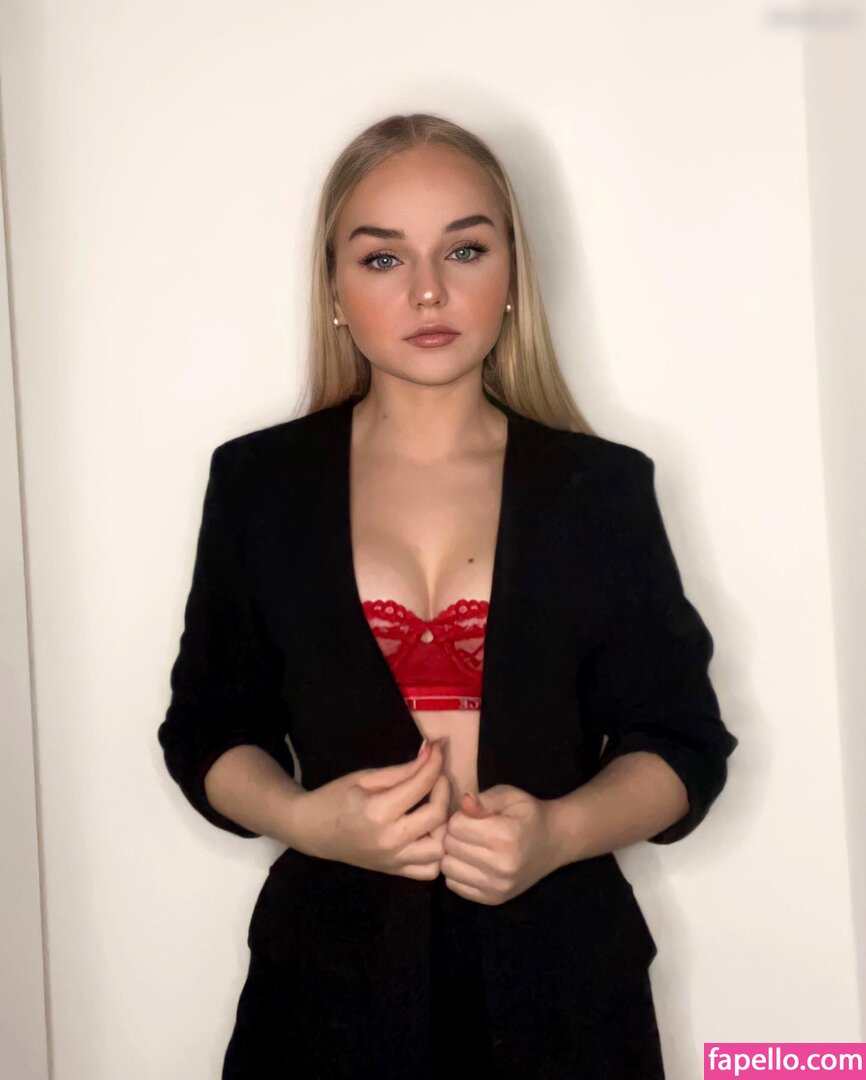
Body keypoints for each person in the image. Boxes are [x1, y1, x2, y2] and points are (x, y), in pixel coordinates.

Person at [157, 112, 739, 1080]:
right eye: (382, 258)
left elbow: (681, 742)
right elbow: (207, 728)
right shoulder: (259, 484)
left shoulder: (598, 489)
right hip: (327, 994)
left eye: (464, 249)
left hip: (562, 995)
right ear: (334, 288)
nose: (428, 290)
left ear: (512, 272)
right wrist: (306, 821)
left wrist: (557, 834)